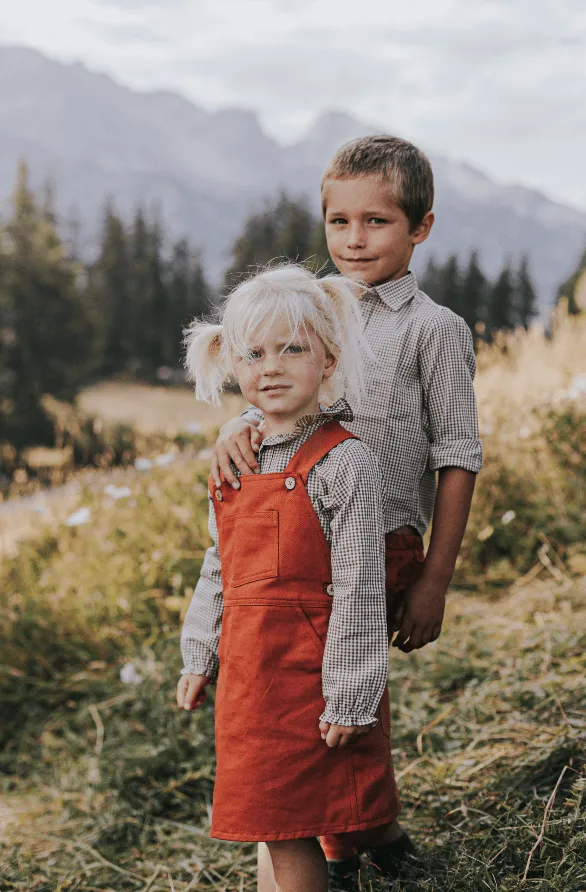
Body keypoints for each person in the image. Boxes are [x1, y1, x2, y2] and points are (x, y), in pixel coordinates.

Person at [211, 135, 483, 889]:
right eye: (339, 222)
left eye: (378, 222)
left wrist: (434, 579)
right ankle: (367, 831)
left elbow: (456, 456)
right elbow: (272, 390)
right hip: (295, 533)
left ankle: (341, 838)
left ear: (420, 228)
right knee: (307, 691)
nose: (355, 240)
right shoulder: (311, 310)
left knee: (346, 681)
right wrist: (233, 434)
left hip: (381, 539)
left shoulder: (435, 329)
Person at [177, 265, 400, 892]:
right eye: (254, 353)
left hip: (312, 670)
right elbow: (218, 563)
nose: (270, 367)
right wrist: (199, 651)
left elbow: (360, 583)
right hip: (251, 676)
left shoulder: (345, 461)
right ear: (233, 365)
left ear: (327, 360)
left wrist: (353, 689)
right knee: (266, 816)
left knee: (293, 823)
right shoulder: (235, 456)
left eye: (291, 349)